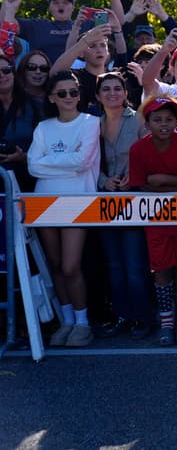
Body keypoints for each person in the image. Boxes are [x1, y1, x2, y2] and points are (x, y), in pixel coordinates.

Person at [28, 71, 101, 347]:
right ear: (51, 98)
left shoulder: (91, 122)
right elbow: (33, 166)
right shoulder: (43, 127)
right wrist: (65, 160)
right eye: (62, 93)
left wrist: (50, 160)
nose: (69, 97)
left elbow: (83, 162)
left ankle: (83, 323)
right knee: (56, 266)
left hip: (78, 203)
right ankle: (67, 321)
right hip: (44, 203)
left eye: (73, 92)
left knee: (71, 266)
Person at [129, 95, 177, 345]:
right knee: (161, 268)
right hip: (155, 219)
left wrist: (163, 179)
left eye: (169, 119)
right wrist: (171, 188)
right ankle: (166, 320)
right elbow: (141, 185)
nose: (164, 124)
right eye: (157, 119)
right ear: (147, 123)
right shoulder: (138, 149)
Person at [94, 72, 151, 339]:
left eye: (118, 88)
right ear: (97, 95)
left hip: (133, 199)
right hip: (103, 200)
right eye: (106, 89)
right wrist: (105, 181)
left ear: (126, 93)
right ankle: (121, 316)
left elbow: (152, 151)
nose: (112, 93)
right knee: (114, 266)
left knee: (134, 265)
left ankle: (142, 317)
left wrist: (134, 177)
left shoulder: (139, 119)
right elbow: (86, 162)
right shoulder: (92, 124)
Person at [0, 53, 44, 191]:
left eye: (6, 70)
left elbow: (48, 148)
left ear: (13, 73)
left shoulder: (36, 107)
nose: (2, 75)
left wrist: (24, 157)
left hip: (25, 181)